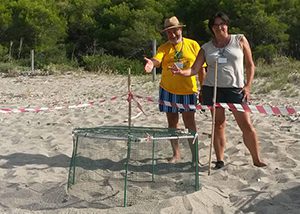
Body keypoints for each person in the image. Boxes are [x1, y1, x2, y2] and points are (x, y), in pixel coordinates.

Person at [171, 12, 266, 169]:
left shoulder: (239, 40)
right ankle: (220, 160)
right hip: (213, 89)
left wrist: (248, 86)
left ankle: (256, 159)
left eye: (222, 23)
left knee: (246, 125)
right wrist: (181, 72)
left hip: (236, 89)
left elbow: (250, 65)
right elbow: (194, 69)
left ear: (227, 25)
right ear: (211, 28)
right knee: (218, 124)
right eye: (215, 25)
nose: (219, 27)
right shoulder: (206, 48)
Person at [144, 16, 206, 164]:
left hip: (188, 91)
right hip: (168, 90)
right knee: (172, 123)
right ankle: (176, 154)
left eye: (174, 31)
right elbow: (157, 60)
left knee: (190, 123)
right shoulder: (164, 48)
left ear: (180, 29)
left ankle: (194, 157)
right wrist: (151, 64)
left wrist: (203, 89)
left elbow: (201, 70)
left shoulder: (193, 45)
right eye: (168, 32)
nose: (172, 35)